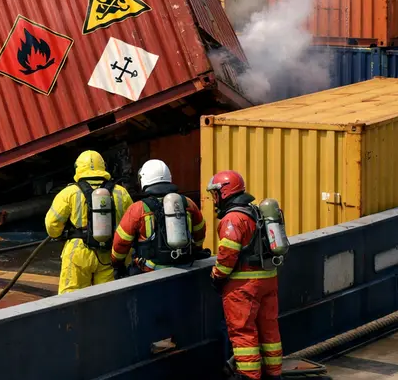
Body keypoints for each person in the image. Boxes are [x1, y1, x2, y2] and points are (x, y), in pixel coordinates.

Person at [207, 170, 282, 380]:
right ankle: (274, 373)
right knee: (269, 331)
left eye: (215, 194)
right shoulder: (255, 211)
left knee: (243, 333)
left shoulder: (232, 219)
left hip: (243, 286)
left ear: (225, 192)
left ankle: (249, 376)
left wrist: (216, 276)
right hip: (268, 279)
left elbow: (227, 253)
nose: (214, 199)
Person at [44, 150, 132, 295]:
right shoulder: (120, 192)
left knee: (71, 298)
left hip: (78, 252)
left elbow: (51, 225)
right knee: (108, 299)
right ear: (103, 167)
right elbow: (130, 226)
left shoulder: (69, 192)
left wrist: (60, 234)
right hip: (109, 253)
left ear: (78, 168)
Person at [111, 159, 206, 275]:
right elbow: (200, 232)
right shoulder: (188, 203)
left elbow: (120, 242)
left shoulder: (138, 208)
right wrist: (195, 249)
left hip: (149, 274)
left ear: (144, 180)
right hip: (184, 268)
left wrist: (117, 264)